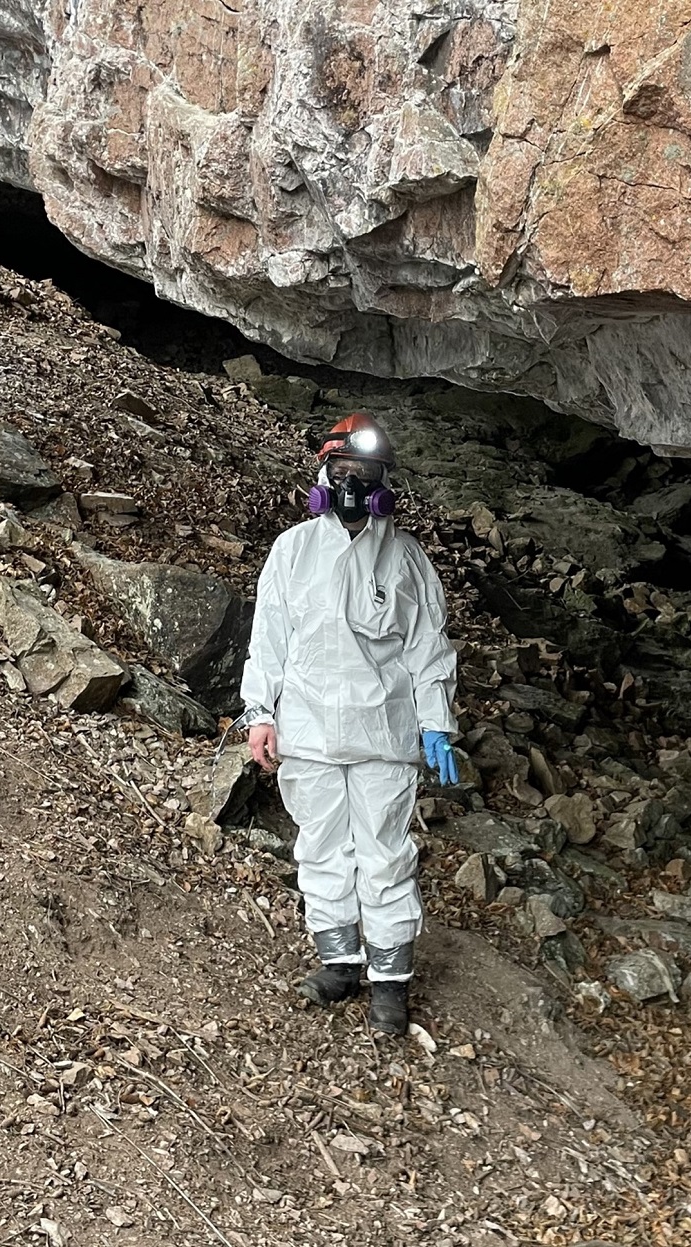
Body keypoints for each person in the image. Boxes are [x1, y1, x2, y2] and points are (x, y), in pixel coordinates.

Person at [239, 413, 460, 1036]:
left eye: (365, 475)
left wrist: (435, 722)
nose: (353, 485)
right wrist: (259, 714)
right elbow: (269, 640)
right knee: (320, 849)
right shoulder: (294, 551)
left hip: (382, 736)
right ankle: (340, 963)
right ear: (323, 474)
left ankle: (390, 982)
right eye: (342, 472)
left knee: (385, 854)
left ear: (385, 481)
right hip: (306, 731)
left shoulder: (406, 559)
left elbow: (428, 649)